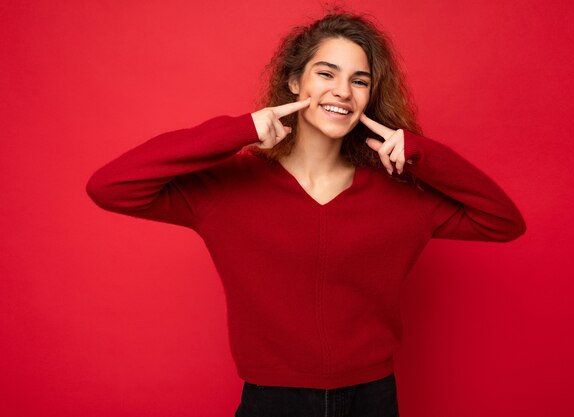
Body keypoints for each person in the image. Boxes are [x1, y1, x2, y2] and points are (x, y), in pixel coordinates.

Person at [85, 11, 526, 417]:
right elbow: (111, 186)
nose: (342, 91)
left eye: (359, 80)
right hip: (270, 401)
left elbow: (503, 220)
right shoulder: (228, 188)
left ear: (369, 97)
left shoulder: (401, 194)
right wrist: (239, 130)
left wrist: (420, 153)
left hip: (372, 399)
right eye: (326, 73)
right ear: (295, 81)